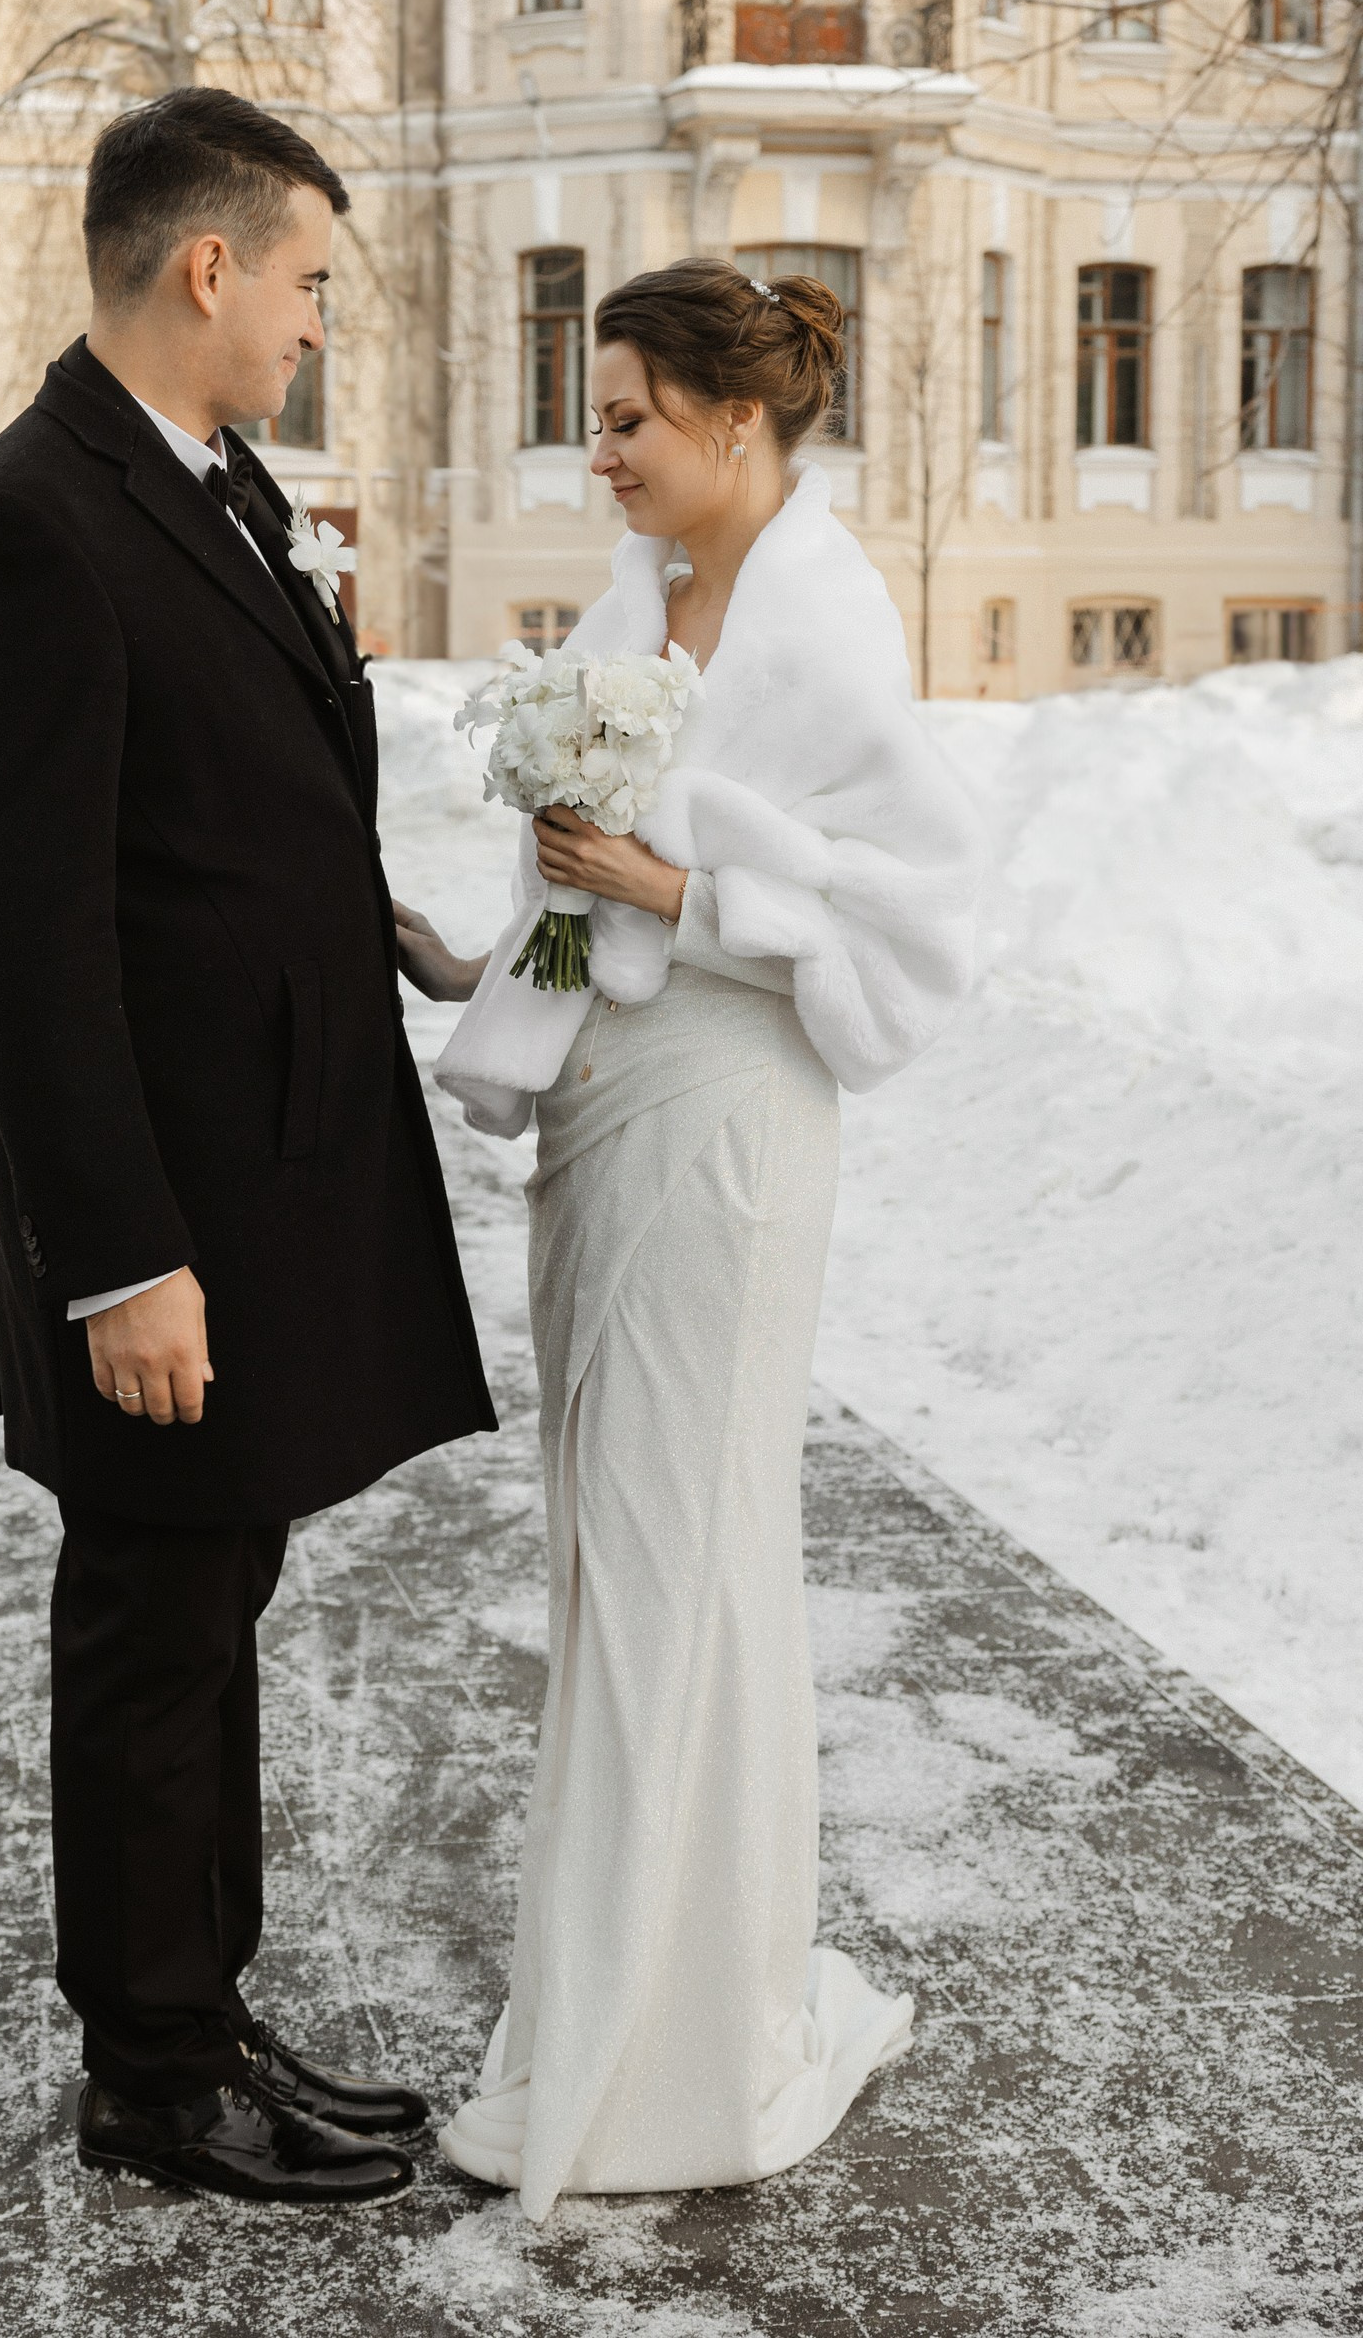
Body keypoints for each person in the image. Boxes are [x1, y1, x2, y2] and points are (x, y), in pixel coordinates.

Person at [0, 86, 497, 2206]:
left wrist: (377, 922)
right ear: (208, 264)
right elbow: (30, 939)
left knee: (213, 1591)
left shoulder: (212, 479)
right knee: (155, 1621)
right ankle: (151, 2077)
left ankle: (204, 2012)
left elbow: (221, 802)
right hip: (159, 1203)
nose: (319, 323)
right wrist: (120, 1258)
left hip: (268, 1160)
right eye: (309, 282)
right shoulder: (28, 527)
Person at [395, 257, 984, 2221]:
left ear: (741, 420)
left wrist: (675, 889)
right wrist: (481, 963)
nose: (605, 449)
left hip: (732, 1125)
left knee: (689, 1553)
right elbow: (588, 892)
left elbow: (908, 928)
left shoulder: (827, 626)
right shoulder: (633, 608)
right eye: (599, 415)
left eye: (632, 414)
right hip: (605, 1119)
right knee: (615, 1554)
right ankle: (629, 1998)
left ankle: (684, 2058)